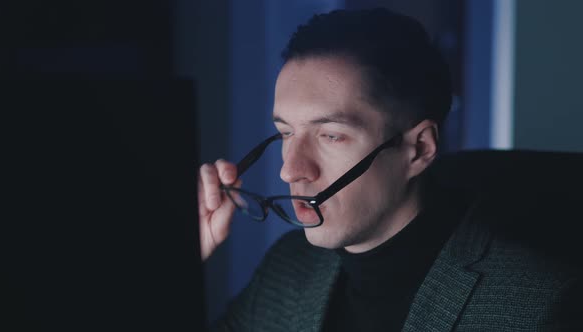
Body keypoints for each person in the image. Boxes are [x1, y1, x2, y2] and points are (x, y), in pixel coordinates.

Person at [198, 8, 581, 331]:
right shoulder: (289, 266)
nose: (291, 170)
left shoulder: (539, 305)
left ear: (419, 149)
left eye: (331, 136)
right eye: (285, 133)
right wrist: (180, 256)